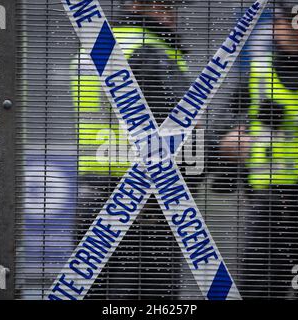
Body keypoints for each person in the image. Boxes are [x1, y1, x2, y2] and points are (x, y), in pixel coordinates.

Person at [208, 0, 298, 299]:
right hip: (269, 201)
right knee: (260, 287)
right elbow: (220, 134)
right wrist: (231, 140)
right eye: (290, 21)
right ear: (274, 26)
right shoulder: (256, 73)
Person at [71, 0, 194, 299]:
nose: (172, 16)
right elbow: (184, 132)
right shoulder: (147, 50)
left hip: (93, 195)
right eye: (164, 7)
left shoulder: (98, 47)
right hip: (143, 199)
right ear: (137, 4)